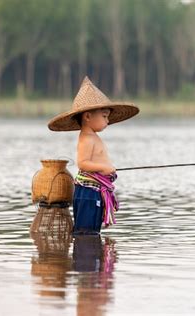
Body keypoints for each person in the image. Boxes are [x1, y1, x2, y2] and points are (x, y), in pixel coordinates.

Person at [48, 76, 139, 235]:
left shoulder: (93, 137)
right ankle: (86, 257)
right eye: (104, 116)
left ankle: (92, 256)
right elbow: (82, 163)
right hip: (87, 193)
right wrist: (104, 167)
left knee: (92, 231)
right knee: (86, 232)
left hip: (95, 191)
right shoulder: (86, 138)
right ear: (88, 117)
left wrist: (106, 169)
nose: (107, 121)